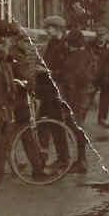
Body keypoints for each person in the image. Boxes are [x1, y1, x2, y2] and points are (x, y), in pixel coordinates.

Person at [0, 20, 47, 199]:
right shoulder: (5, 54)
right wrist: (22, 84)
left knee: (20, 134)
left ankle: (29, 165)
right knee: (14, 135)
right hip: (10, 104)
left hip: (14, 102)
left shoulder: (10, 53)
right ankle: (27, 166)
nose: (28, 43)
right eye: (23, 39)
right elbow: (3, 82)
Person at [37, 16, 71, 165]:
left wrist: (47, 71)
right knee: (42, 124)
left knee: (57, 125)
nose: (46, 30)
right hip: (46, 91)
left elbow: (66, 71)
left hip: (56, 91)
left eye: (49, 28)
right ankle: (42, 155)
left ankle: (63, 158)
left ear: (57, 28)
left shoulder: (64, 46)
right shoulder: (50, 43)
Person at [62, 30, 96, 173]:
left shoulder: (77, 56)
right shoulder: (87, 54)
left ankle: (81, 161)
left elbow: (76, 76)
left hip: (77, 95)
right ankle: (81, 160)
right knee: (77, 126)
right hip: (84, 94)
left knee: (76, 126)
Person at [90, 26, 109, 126]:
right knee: (88, 96)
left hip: (105, 76)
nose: (100, 38)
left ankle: (102, 118)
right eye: (98, 35)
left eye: (102, 36)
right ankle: (80, 118)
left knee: (105, 98)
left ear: (106, 36)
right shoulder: (90, 45)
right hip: (93, 75)